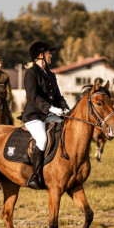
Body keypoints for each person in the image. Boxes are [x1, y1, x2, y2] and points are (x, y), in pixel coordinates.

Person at [21, 41, 69, 190]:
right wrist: (51, 108)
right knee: (42, 138)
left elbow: (59, 96)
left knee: (65, 130)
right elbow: (33, 97)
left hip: (50, 114)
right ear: (41, 55)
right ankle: (36, 175)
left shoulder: (51, 75)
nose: (51, 55)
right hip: (34, 115)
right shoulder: (30, 73)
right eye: (49, 53)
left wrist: (65, 108)